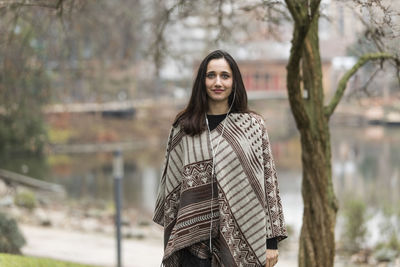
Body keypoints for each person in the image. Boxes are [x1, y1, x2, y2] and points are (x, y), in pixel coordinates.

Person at [153, 50, 287, 267]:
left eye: (225, 76)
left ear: (234, 82)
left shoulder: (253, 126)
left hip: (240, 243)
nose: (218, 82)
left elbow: (268, 184)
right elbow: (171, 189)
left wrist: (271, 242)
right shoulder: (184, 127)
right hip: (191, 248)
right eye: (211, 75)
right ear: (202, 81)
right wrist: (173, 243)